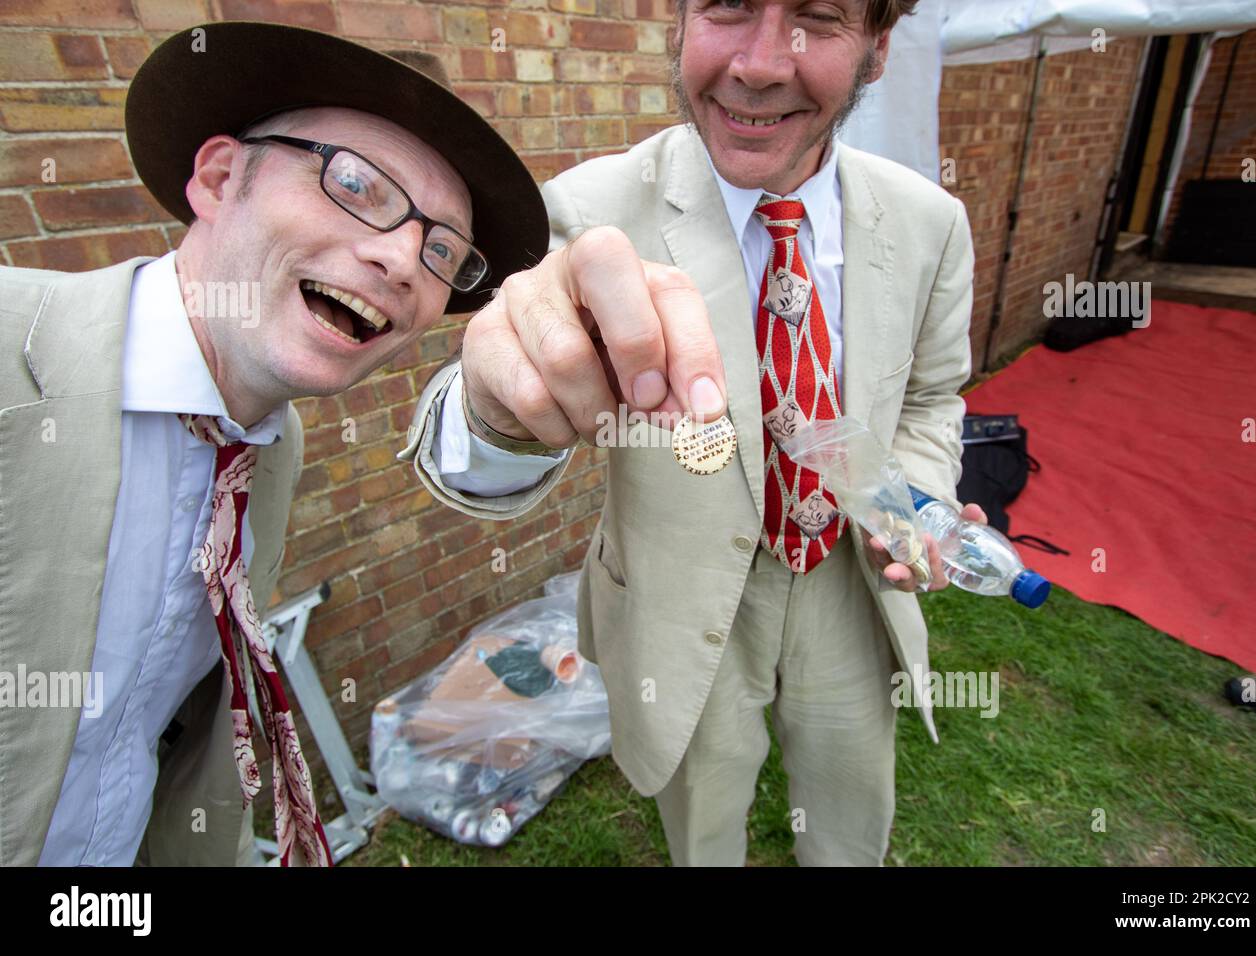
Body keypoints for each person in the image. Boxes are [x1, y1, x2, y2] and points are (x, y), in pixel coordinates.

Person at [402, 0, 988, 865]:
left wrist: (917, 503)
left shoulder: (930, 221)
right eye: (729, 8)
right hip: (679, 607)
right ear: (677, 22)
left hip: (851, 585)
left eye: (817, 18)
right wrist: (494, 411)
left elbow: (934, 398)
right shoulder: (583, 213)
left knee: (850, 813)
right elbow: (496, 402)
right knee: (703, 826)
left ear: (877, 48)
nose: (759, 63)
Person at [0, 22, 548, 866]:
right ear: (220, 178)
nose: (405, 258)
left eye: (442, 249)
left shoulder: (268, 449)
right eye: (358, 183)